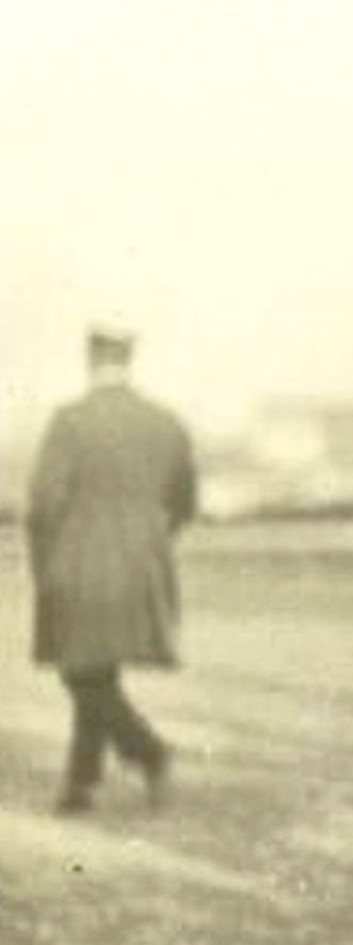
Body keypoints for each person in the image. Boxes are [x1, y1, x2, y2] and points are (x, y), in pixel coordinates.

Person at [26, 325, 196, 815]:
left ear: (90, 360)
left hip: (80, 565)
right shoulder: (166, 422)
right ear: (129, 360)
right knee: (96, 670)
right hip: (143, 568)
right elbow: (184, 501)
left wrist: (46, 564)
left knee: (80, 670)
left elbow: (44, 504)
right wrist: (150, 543)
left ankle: (149, 751)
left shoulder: (70, 421)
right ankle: (81, 784)